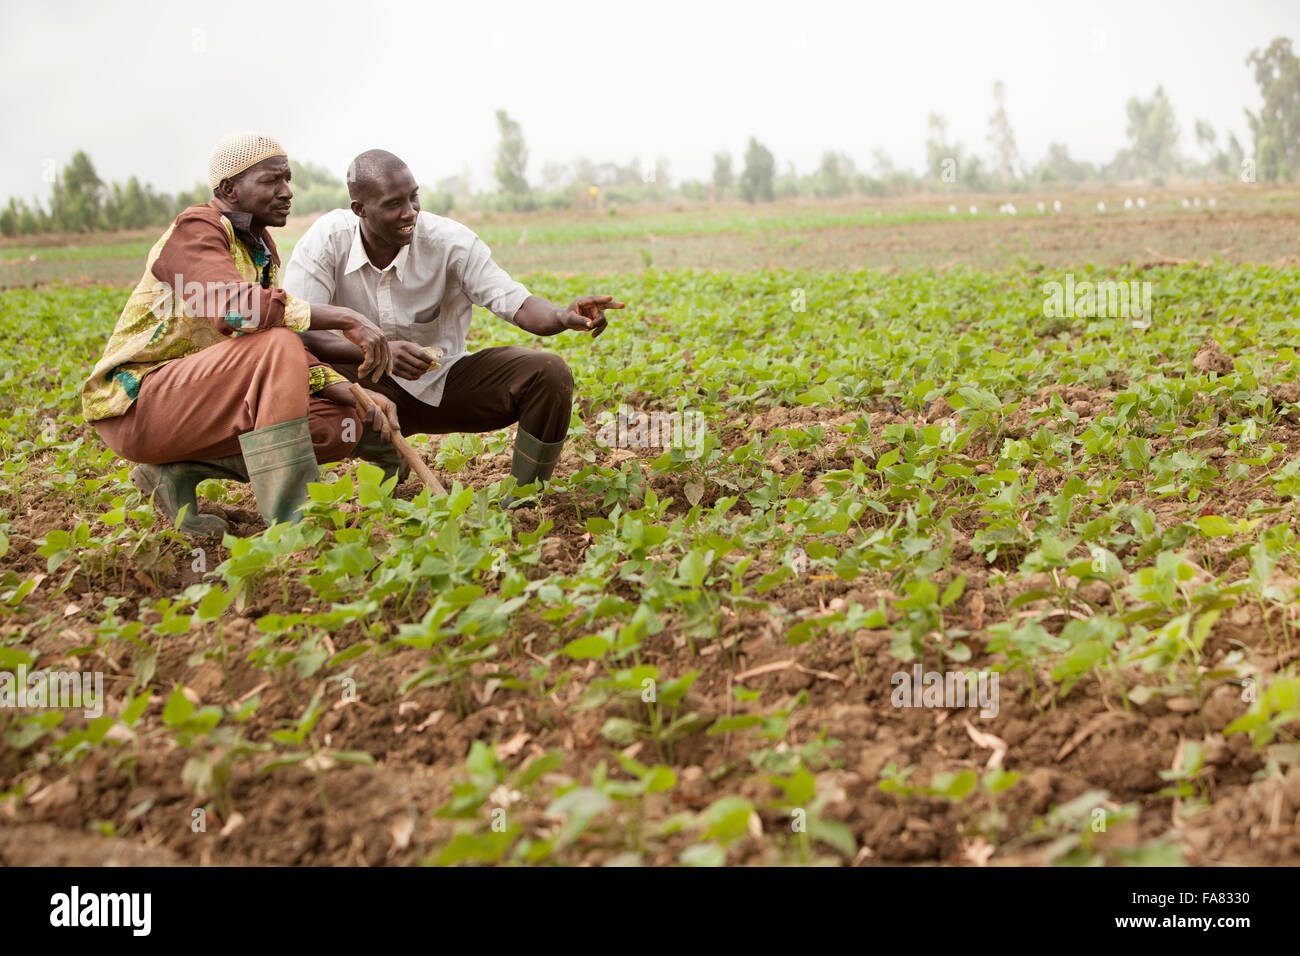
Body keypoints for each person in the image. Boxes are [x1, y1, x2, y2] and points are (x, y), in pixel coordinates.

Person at [81, 132, 398, 538]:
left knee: (334, 424)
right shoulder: (194, 231)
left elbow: (271, 341)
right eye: (272, 181)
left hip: (197, 397)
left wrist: (356, 395)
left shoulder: (257, 249)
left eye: (288, 180)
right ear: (229, 188)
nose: (287, 192)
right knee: (279, 342)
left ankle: (175, 473)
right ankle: (292, 526)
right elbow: (237, 308)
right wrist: (342, 317)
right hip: (137, 403)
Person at [283, 149, 623, 507]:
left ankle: (523, 500)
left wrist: (560, 315)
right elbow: (303, 325)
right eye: (393, 203)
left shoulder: (449, 242)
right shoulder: (327, 239)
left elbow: (517, 304)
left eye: (414, 197)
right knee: (287, 363)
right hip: (364, 389)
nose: (409, 211)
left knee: (549, 374)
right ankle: (382, 455)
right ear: (360, 210)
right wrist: (376, 351)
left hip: (442, 384)